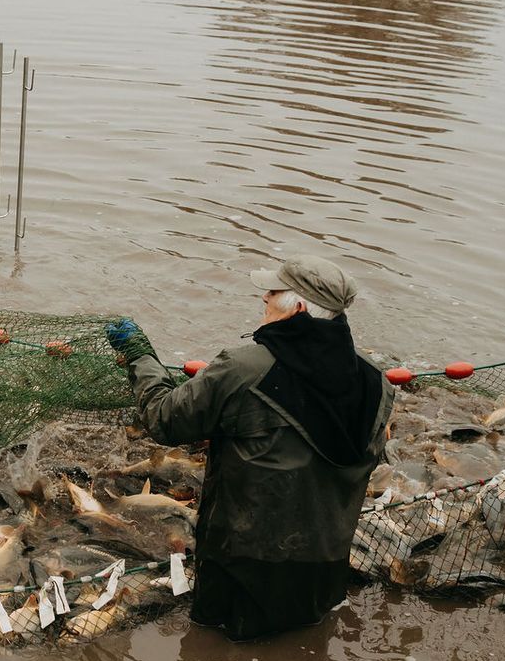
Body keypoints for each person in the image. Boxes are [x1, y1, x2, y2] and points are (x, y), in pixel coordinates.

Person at [106, 255, 394, 641]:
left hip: (242, 565)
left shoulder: (243, 368)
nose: (264, 297)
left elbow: (164, 419)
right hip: (325, 563)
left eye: (273, 292)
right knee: (304, 646)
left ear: (300, 308)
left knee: (213, 655)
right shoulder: (376, 380)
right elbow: (365, 454)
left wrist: (141, 356)